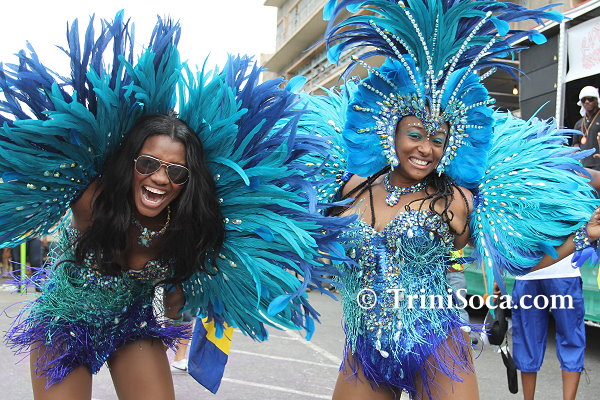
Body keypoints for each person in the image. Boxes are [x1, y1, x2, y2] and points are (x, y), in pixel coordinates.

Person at [1, 13, 347, 399]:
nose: (160, 178)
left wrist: (189, 294)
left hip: (130, 324)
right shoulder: (92, 200)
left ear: (188, 180)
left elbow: (177, 301)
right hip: (63, 323)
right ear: (130, 163)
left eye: (176, 171)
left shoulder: (187, 225)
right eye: (148, 164)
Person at [313, 1, 599, 399]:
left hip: (437, 346)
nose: (425, 149)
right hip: (364, 347)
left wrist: (585, 235)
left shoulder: (455, 200)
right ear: (391, 132)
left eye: (437, 139)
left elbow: (518, 263)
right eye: (415, 135)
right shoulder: (351, 188)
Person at [511, 255, 585, 400]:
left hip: (527, 272)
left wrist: (497, 275)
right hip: (564, 272)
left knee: (528, 342)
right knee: (571, 340)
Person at [573, 86, 600, 170]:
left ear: (596, 100)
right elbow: (576, 144)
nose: (587, 102)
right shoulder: (578, 123)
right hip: (584, 165)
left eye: (590, 99)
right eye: (584, 100)